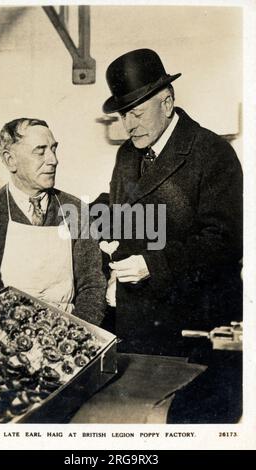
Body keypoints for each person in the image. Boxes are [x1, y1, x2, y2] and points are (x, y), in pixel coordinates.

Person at [102, 49, 243, 356]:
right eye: (123, 115)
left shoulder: (213, 153)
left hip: (192, 324)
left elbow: (224, 242)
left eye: (137, 114)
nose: (129, 125)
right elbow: (122, 214)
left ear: (166, 103)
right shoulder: (127, 154)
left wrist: (152, 264)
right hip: (136, 319)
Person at [0, 118, 106, 326]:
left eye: (53, 149)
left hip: (68, 332)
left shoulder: (76, 210)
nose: (53, 160)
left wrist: (76, 335)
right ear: (10, 160)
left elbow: (92, 285)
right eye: (40, 151)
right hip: (6, 334)